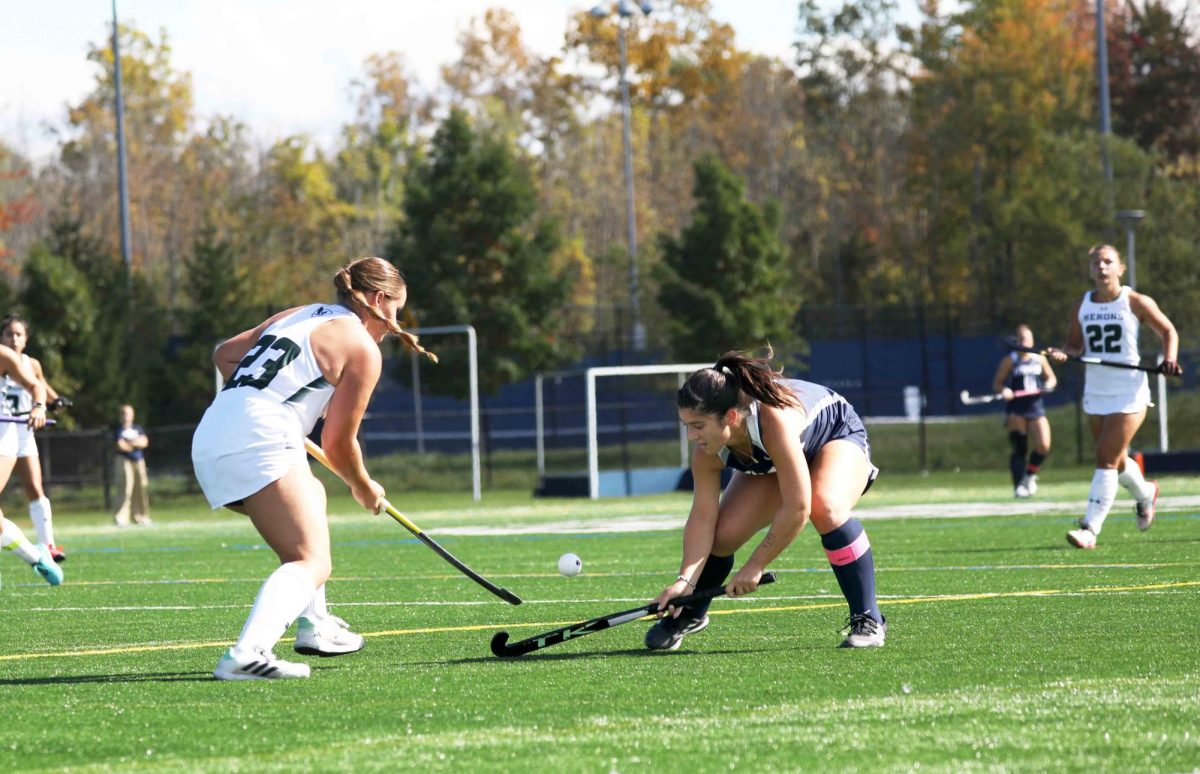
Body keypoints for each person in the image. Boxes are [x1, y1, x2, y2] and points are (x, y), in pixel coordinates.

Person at [192, 256, 435, 680]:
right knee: (311, 560)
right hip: (259, 440)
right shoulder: (361, 347)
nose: (395, 323)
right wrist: (363, 487)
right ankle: (247, 654)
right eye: (396, 310)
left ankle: (315, 627)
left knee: (311, 501)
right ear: (379, 299)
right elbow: (338, 444)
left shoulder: (301, 314)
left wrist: (285, 406)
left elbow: (225, 356)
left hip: (211, 435)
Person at [646, 347, 886, 650]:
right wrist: (685, 582)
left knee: (824, 506)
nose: (692, 436)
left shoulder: (774, 422)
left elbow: (798, 507)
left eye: (698, 426)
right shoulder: (706, 451)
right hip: (777, 457)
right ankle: (691, 610)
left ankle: (868, 617)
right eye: (686, 426)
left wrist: (756, 564)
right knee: (723, 536)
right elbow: (703, 518)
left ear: (731, 417)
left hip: (835, 435)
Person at [1046, 244, 1182, 549]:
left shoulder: (1134, 301)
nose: (1102, 267)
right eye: (1096, 262)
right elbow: (1073, 346)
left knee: (1104, 457)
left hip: (1129, 390)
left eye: (1108, 262)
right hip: (1096, 390)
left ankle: (1089, 528)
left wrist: (1169, 358)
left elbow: (1168, 331)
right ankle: (1146, 493)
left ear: (1120, 269)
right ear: (1090, 269)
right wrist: (1062, 354)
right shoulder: (1083, 304)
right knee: (1117, 460)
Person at [1, 316, 71, 561]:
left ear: (26, 338)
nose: (14, 338)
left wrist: (52, 402)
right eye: (9, 334)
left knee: (34, 487)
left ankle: (47, 546)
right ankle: (33, 554)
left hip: (21, 428)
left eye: (19, 334)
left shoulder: (31, 363)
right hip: (6, 426)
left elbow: (39, 385)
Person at [991, 324, 1057, 498]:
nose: (1024, 342)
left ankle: (1029, 476)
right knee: (1020, 448)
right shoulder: (1010, 360)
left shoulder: (1039, 359)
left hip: (1035, 406)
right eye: (1021, 339)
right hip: (1017, 408)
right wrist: (1004, 390)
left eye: (1027, 339)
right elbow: (997, 383)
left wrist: (1048, 386)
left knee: (1043, 445)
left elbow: (1051, 378)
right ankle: (1018, 486)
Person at [113, 404, 151, 526]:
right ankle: (121, 518)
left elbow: (144, 442)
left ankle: (140, 516)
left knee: (141, 488)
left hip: (139, 461)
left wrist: (130, 444)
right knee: (125, 489)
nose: (126, 416)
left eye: (129, 414)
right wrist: (135, 444)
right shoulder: (118, 429)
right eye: (124, 414)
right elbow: (120, 445)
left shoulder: (137, 428)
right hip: (124, 461)